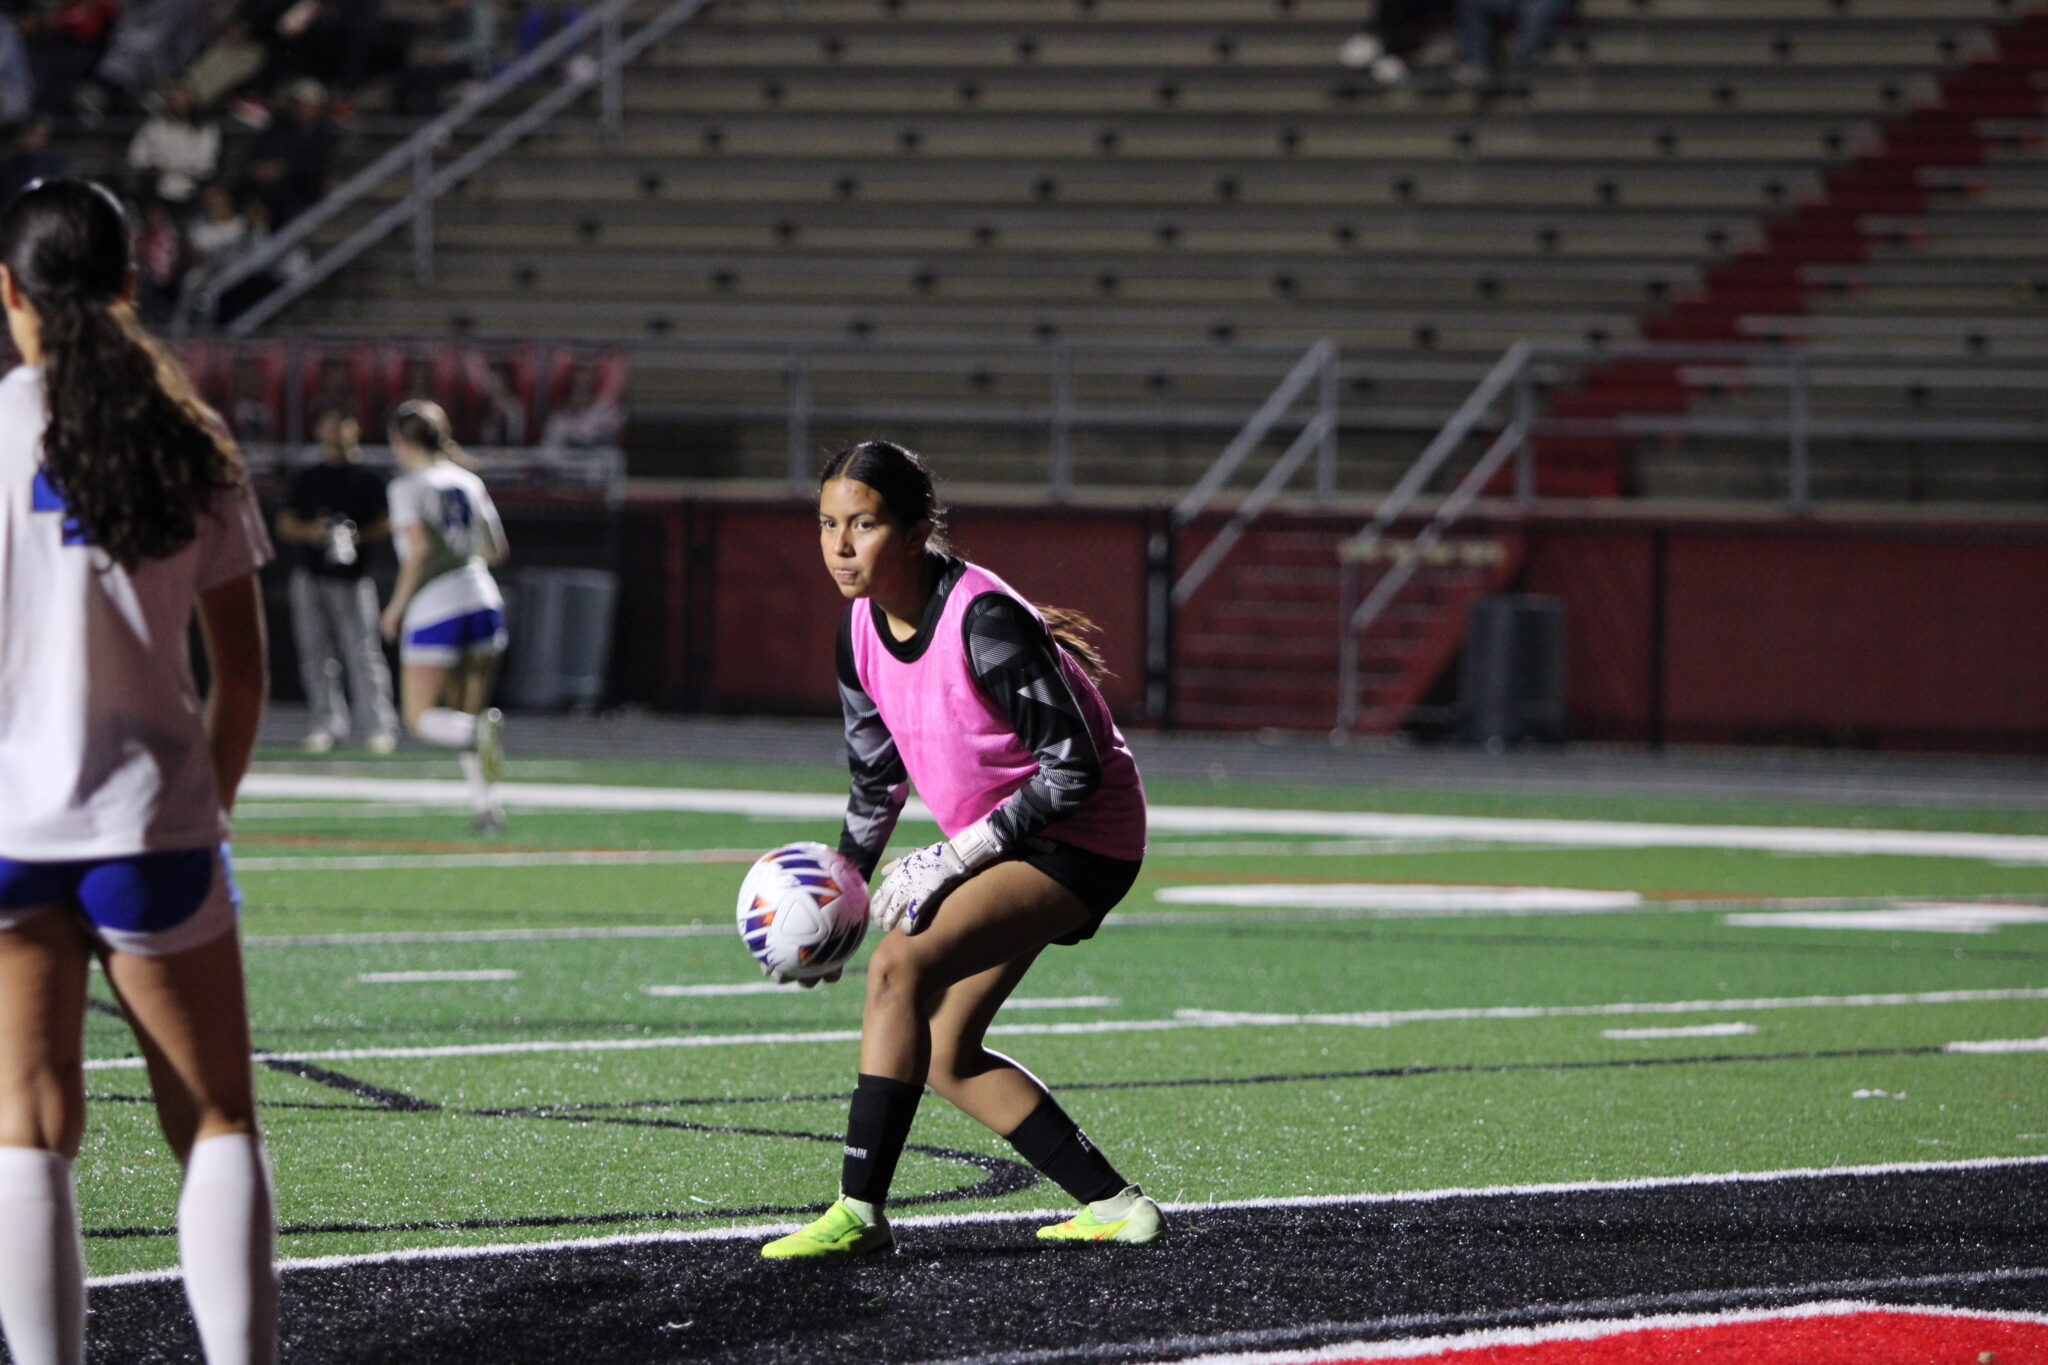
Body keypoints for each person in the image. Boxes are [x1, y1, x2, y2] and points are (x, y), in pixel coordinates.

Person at [0, 178, 278, 1364]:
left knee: (28, 1129)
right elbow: (243, 676)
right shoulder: (187, 435)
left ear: (8, 291)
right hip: (153, 827)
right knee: (215, 1119)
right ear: (129, 283)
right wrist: (206, 812)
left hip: (9, 832)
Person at [760, 440, 1160, 1259]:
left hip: (1084, 838)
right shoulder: (858, 631)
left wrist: (955, 856)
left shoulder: (984, 619)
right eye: (828, 524)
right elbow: (877, 782)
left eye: (863, 524)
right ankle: (1118, 1204)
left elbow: (1076, 769)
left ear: (915, 532)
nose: (840, 545)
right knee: (943, 1050)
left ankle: (858, 1211)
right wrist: (840, 902)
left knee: (897, 969)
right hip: (1014, 839)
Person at [379, 398, 508, 832]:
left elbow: (418, 550)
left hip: (437, 605)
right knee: (466, 713)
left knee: (421, 719)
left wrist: (396, 607)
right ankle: (487, 808)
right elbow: (495, 549)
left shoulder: (407, 487)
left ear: (400, 440)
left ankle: (477, 738)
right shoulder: (469, 481)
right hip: (484, 600)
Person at [277, 407, 400, 754]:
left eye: (341, 427)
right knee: (315, 654)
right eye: (329, 427)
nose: (335, 435)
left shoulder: (368, 478)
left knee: (363, 653)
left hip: (354, 578)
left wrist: (359, 537)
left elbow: (387, 523)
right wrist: (311, 532)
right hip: (311, 574)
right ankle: (326, 723)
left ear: (354, 429)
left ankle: (377, 726)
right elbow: (285, 523)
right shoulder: (308, 477)